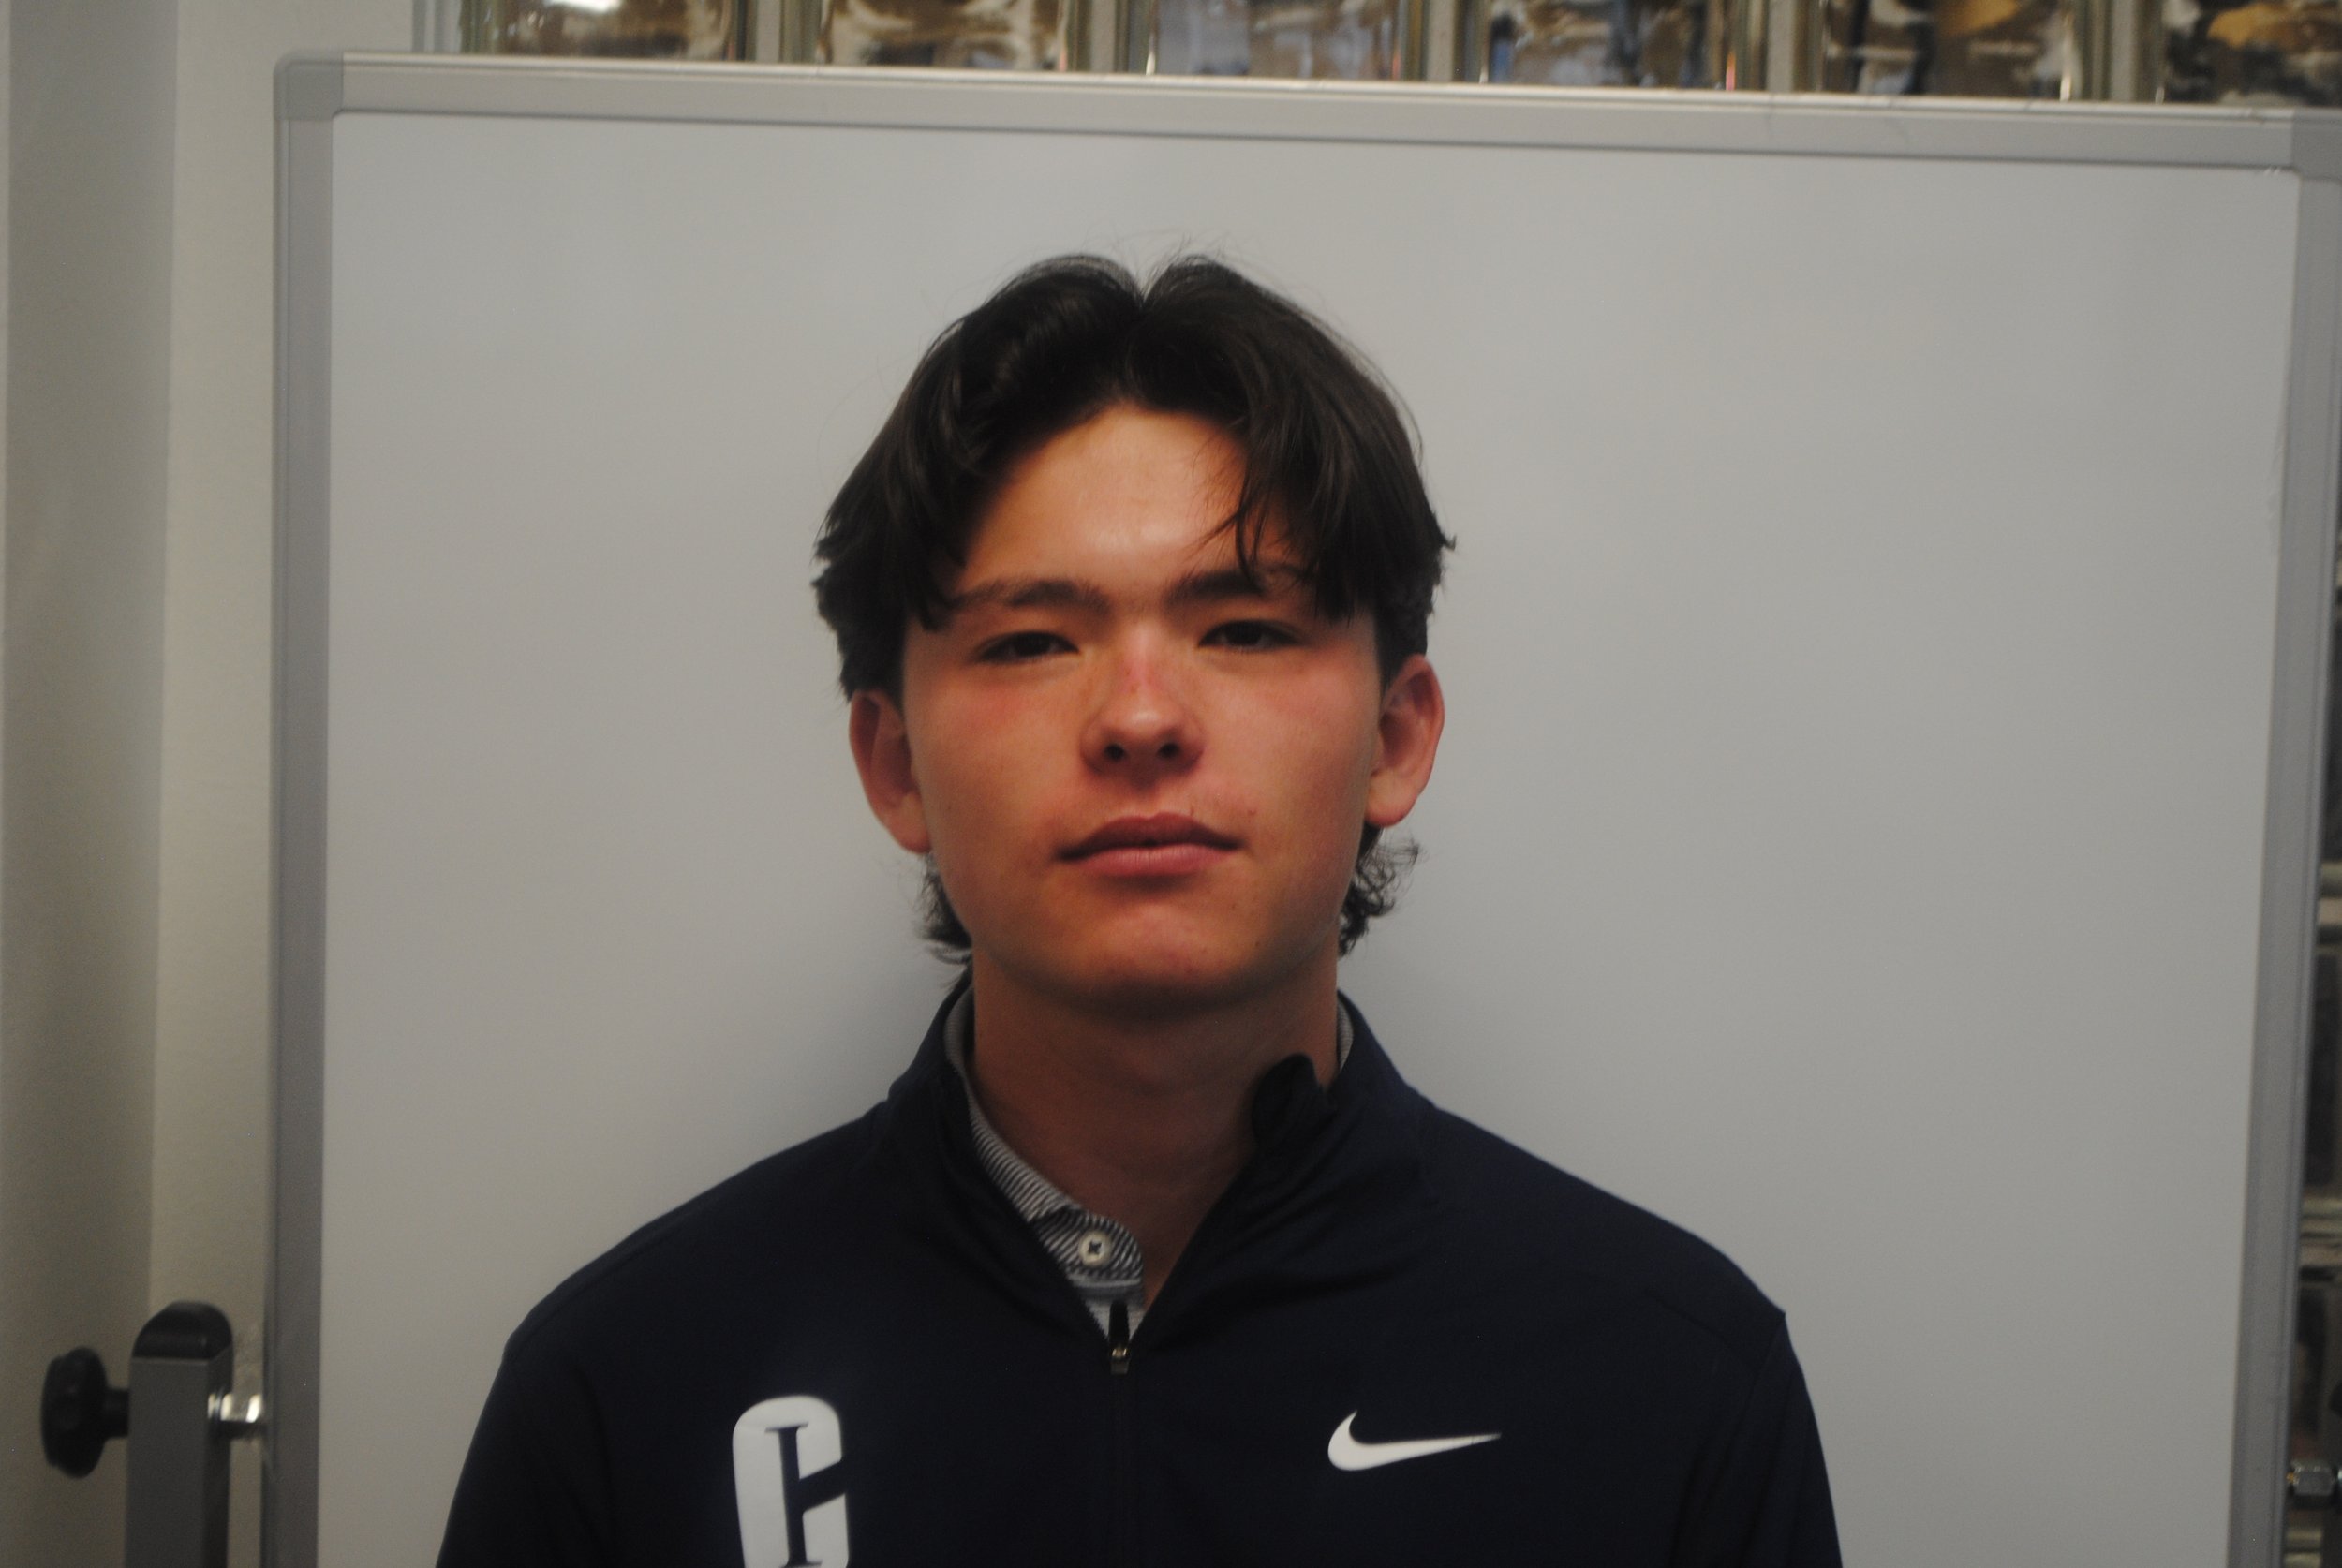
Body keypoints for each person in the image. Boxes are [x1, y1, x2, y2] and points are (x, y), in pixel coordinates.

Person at [436, 254, 1840, 1568]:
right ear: (893, 761)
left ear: (1398, 737)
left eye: (1243, 628)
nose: (1142, 717)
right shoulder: (632, 1386)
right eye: (1033, 639)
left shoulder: (1667, 1380)